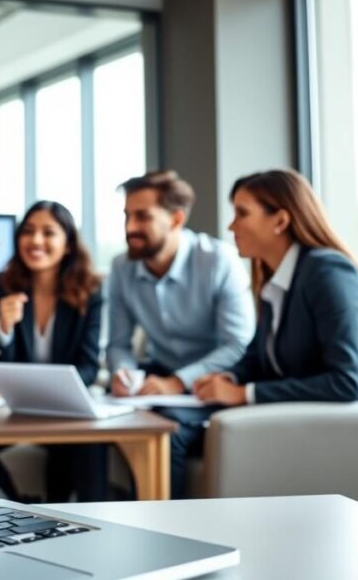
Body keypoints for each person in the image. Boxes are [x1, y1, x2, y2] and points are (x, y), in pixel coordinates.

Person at [192, 169, 358, 406]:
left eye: (242, 214)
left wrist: (243, 394)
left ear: (280, 221)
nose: (231, 226)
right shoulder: (278, 280)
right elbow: (258, 358)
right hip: (304, 417)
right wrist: (229, 378)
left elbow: (346, 382)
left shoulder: (328, 272)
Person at [105, 169, 255, 498]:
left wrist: (177, 381)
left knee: (164, 431)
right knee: (99, 422)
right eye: (127, 215)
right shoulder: (121, 268)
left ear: (175, 219)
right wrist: (124, 372)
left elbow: (238, 344)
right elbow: (118, 344)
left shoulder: (218, 260)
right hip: (157, 377)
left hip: (213, 383)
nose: (130, 227)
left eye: (142, 217)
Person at [0, 201, 106, 502]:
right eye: (28, 232)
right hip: (15, 414)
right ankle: (19, 505)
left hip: (66, 413)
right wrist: (4, 329)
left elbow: (88, 368)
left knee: (92, 447)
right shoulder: (0, 287)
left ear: (68, 244)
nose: (36, 241)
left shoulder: (91, 291)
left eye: (48, 233)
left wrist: (48, 392)